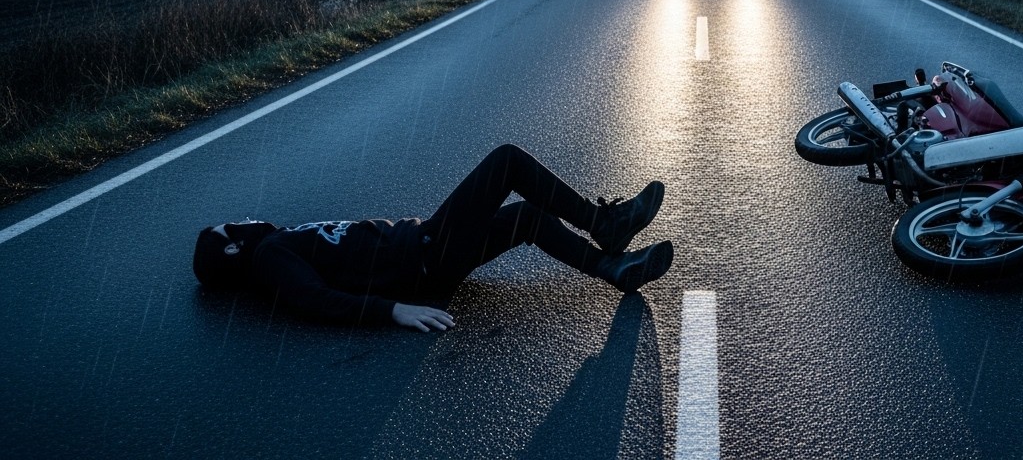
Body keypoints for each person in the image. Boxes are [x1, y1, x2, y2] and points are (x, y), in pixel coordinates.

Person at [193, 144, 672, 332]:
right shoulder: (270, 257)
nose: (242, 220)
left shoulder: (277, 243)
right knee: (507, 162)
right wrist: (394, 310)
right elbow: (316, 300)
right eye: (230, 228)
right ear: (233, 247)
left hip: (426, 254)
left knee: (527, 217)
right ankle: (601, 225)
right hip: (422, 256)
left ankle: (611, 268)